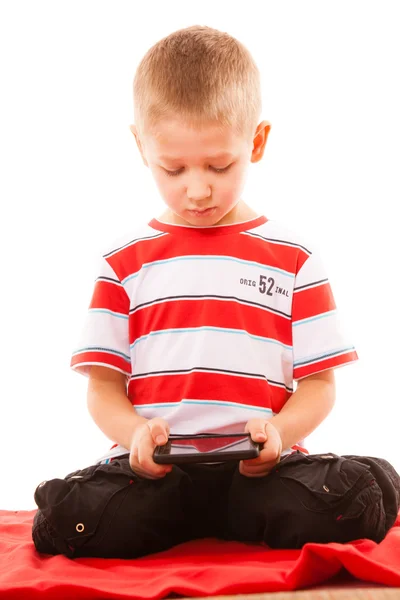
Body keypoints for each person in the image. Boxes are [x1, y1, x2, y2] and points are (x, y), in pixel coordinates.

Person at [32, 25, 399, 559]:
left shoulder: (295, 258)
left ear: (257, 141)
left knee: (348, 499)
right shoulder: (123, 263)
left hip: (261, 474)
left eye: (220, 165)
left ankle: (247, 511)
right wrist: (134, 434)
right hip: (158, 477)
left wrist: (278, 432)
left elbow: (319, 384)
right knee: (80, 520)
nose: (198, 188)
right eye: (173, 168)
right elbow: (103, 388)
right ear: (141, 145)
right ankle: (174, 514)